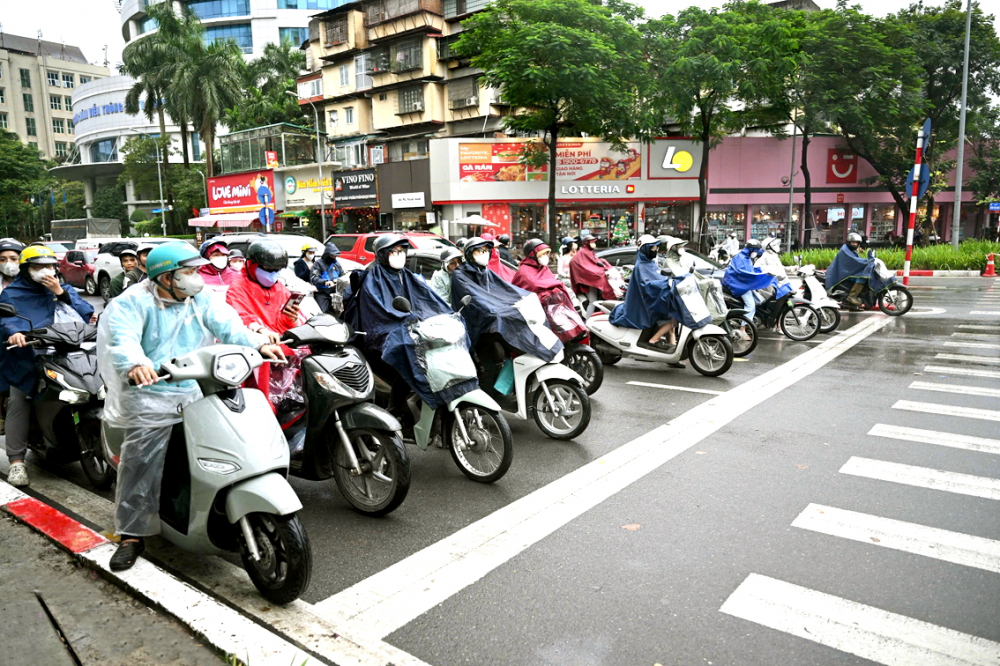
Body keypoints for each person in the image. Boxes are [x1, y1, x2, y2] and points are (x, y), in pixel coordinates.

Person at [98, 242, 283, 571]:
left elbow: (228, 326)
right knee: (140, 460)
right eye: (190, 271)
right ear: (166, 277)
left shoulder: (202, 298)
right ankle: (130, 533)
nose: (197, 277)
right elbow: (122, 339)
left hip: (196, 384)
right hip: (150, 393)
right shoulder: (132, 303)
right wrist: (136, 364)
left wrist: (258, 343)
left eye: (198, 270)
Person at [343, 235, 476, 421]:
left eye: (401, 251)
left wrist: (449, 315)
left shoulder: (407, 275)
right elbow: (380, 312)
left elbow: (429, 299)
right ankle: (394, 408)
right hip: (384, 332)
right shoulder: (372, 279)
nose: (399, 255)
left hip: (411, 326)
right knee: (408, 355)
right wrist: (405, 319)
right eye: (393, 252)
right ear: (382, 254)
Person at [1, 245, 94, 487]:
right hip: (29, 354)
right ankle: (17, 462)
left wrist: (60, 292)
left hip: (69, 352)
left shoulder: (64, 288)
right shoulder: (12, 294)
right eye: (37, 267)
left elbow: (86, 313)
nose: (44, 271)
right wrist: (16, 334)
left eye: (49, 266)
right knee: (18, 399)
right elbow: (7, 321)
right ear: (26, 269)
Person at [450, 237, 562, 384]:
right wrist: (496, 311)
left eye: (486, 251)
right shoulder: (460, 275)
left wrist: (526, 297)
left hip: (493, 321)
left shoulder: (485, 272)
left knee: (522, 332)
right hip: (478, 325)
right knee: (490, 361)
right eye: (480, 251)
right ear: (470, 253)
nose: (484, 254)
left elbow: (505, 289)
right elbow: (477, 300)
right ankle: (491, 395)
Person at [226, 240, 304, 410]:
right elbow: (241, 317)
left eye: (277, 271)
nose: (272, 275)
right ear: (251, 265)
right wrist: (261, 331)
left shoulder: (281, 288)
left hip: (285, 352)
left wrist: (293, 319)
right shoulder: (237, 288)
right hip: (259, 356)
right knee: (265, 405)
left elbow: (285, 322)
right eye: (268, 270)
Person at [608, 236, 684, 354]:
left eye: (656, 246)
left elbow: (660, 278)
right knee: (673, 317)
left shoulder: (651, 264)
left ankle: (672, 352)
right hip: (643, 304)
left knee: (671, 324)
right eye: (652, 247)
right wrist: (664, 284)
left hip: (654, 299)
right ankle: (653, 340)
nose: (655, 249)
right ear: (645, 249)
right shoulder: (641, 266)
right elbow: (647, 285)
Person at [512, 239, 587, 343]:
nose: (546, 257)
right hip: (534, 308)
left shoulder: (543, 267)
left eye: (547, 253)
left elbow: (550, 280)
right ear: (532, 254)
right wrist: (554, 287)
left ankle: (574, 330)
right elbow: (533, 285)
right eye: (543, 254)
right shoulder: (524, 270)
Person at [660, 236, 729, 327]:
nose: (682, 249)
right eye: (680, 247)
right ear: (674, 248)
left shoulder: (681, 261)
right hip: (678, 296)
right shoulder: (668, 261)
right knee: (673, 324)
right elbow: (678, 277)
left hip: (688, 293)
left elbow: (692, 274)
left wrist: (705, 280)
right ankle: (655, 340)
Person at [722, 239, 784, 321]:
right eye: (756, 251)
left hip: (743, 283)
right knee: (750, 306)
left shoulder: (746, 257)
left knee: (759, 299)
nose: (757, 253)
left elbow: (750, 270)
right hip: (738, 284)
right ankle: (743, 328)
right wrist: (760, 274)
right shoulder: (740, 258)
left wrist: (761, 270)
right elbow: (744, 273)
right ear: (752, 249)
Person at [826, 231, 883, 311]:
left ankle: (854, 305)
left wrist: (868, 261)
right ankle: (852, 296)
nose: (854, 244)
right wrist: (867, 262)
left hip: (847, 272)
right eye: (853, 243)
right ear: (849, 242)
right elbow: (854, 261)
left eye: (856, 243)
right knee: (862, 277)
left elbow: (857, 259)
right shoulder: (844, 250)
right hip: (842, 273)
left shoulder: (852, 250)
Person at [569, 232, 615, 316]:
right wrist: (594, 273)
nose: (594, 244)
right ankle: (588, 322)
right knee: (592, 301)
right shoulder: (583, 252)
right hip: (589, 282)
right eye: (592, 242)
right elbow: (576, 263)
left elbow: (595, 262)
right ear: (587, 243)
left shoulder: (590, 252)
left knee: (597, 300)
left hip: (593, 280)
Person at [310, 242, 345, 314]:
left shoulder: (337, 264)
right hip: (322, 293)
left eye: (335, 256)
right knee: (322, 312)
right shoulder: (318, 263)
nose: (334, 257)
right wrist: (325, 282)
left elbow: (342, 276)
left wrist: (338, 281)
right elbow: (313, 278)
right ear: (327, 255)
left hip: (336, 293)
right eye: (332, 255)